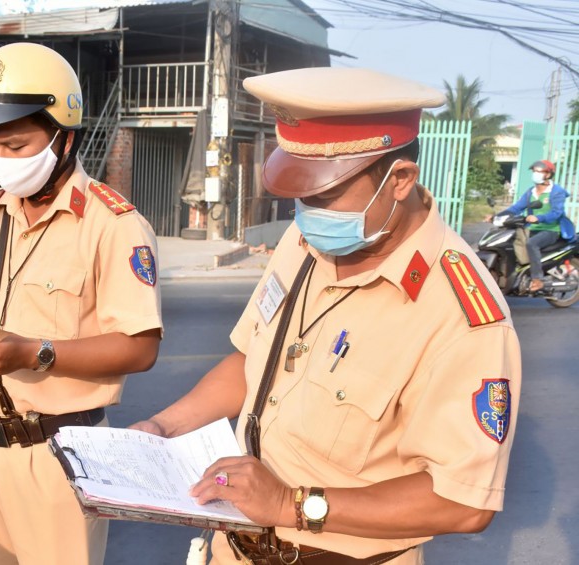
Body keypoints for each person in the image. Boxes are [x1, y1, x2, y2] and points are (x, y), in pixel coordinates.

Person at [131, 68, 521, 564]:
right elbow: (254, 360)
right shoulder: (307, 240)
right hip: (236, 544)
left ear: (399, 180)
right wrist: (165, 427)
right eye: (300, 194)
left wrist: (290, 504)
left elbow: (463, 502)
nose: (307, 213)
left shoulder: (461, 316)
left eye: (325, 194)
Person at [0, 42, 163, 565]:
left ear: (64, 136)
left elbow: (139, 348)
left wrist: (32, 353)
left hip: (56, 456)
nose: (1, 160)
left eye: (15, 145)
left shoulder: (113, 225)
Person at [494, 159, 575, 292]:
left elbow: (557, 212)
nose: (535, 174)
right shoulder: (531, 192)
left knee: (532, 244)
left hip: (550, 230)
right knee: (509, 243)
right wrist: (497, 216)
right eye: (534, 171)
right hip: (531, 228)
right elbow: (516, 208)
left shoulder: (556, 192)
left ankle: (537, 280)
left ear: (548, 175)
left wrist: (539, 217)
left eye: (539, 171)